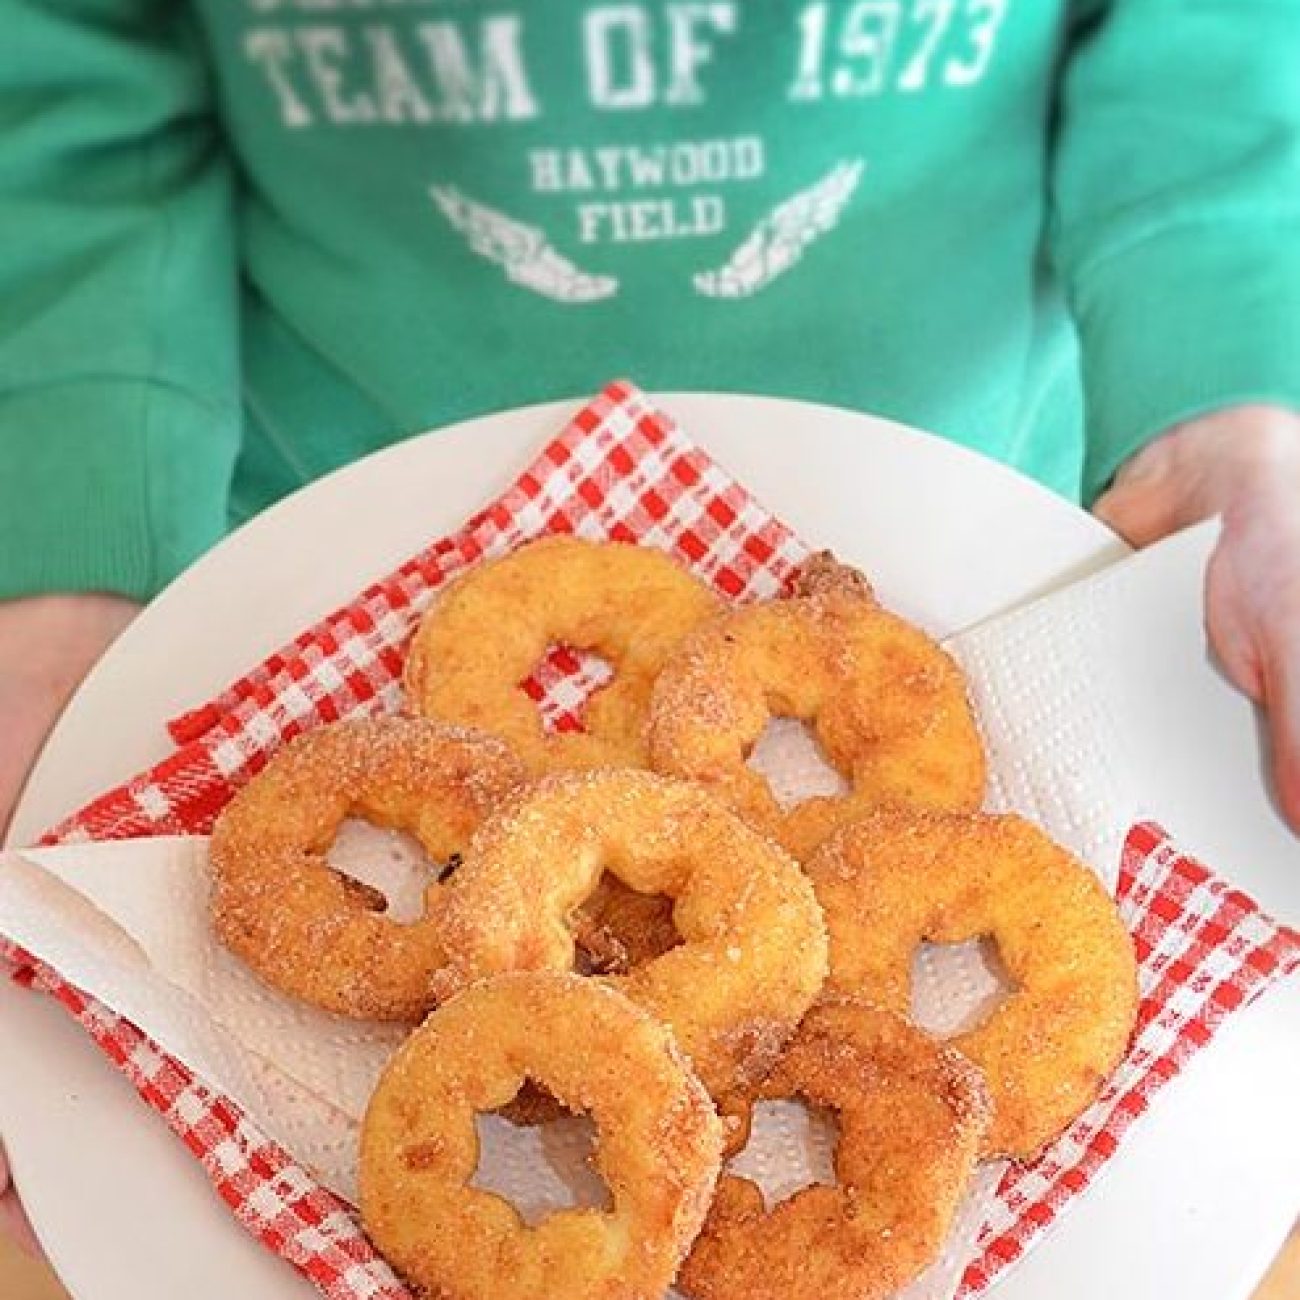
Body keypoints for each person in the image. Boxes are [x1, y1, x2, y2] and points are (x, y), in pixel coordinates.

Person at [2, 0, 1299, 1258]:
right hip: (291, 526)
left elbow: (1216, 42)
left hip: (980, 498)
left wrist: (1227, 395)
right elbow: (72, 81)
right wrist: (71, 544)